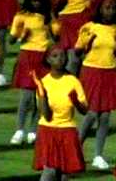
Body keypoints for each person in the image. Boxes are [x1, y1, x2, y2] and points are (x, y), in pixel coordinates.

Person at [76, 0, 116, 170]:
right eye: (106, 7)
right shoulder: (89, 27)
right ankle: (76, 149)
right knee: (91, 114)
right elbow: (77, 52)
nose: (110, 11)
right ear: (100, 9)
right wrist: (84, 41)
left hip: (109, 72)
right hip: (91, 72)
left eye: (112, 8)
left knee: (105, 116)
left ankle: (98, 155)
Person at [32, 44, 87, 180]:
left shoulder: (73, 81)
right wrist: (42, 94)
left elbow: (84, 110)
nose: (60, 59)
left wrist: (75, 101)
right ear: (48, 60)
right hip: (48, 131)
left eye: (62, 55)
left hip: (67, 131)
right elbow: (47, 116)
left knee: (64, 175)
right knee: (49, 172)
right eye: (55, 56)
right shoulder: (43, 82)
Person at [9, 0, 53, 145]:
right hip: (27, 56)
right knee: (26, 97)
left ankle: (32, 130)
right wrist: (21, 35)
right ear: (29, 0)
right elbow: (11, 40)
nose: (37, 3)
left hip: (43, 57)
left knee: (39, 96)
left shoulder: (47, 17)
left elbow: (55, 37)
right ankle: (19, 129)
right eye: (34, 0)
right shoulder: (21, 16)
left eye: (40, 1)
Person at [53, 0, 92, 75]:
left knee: (82, 56)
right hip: (65, 20)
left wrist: (88, 3)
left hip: (82, 18)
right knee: (72, 57)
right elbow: (56, 5)